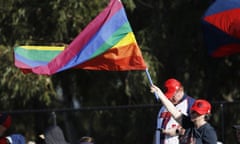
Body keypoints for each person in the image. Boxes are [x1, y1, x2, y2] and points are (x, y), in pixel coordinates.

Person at [151, 84, 218, 144]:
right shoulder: (188, 123)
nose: (193, 114)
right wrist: (160, 93)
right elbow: (172, 110)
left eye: (197, 113)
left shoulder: (208, 132)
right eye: (192, 111)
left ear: (205, 115)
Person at [154, 78, 195, 144]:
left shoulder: (190, 104)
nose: (170, 98)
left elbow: (195, 128)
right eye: (168, 96)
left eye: (173, 96)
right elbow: (157, 130)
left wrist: (176, 131)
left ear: (181, 90)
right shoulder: (164, 106)